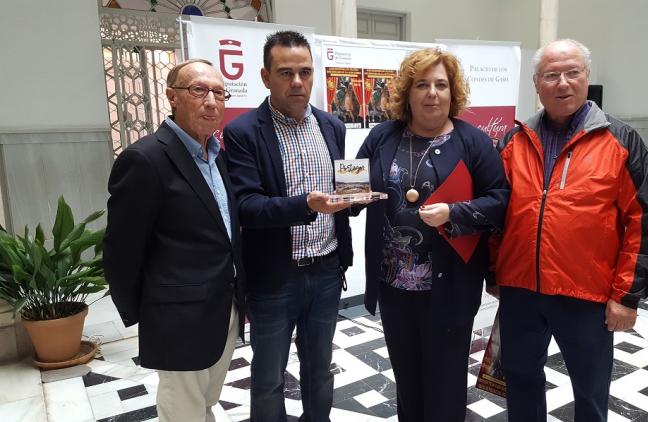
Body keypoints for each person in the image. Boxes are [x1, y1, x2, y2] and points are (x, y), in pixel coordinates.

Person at [492, 39, 648, 421]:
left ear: (587, 77)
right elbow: (495, 214)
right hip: (521, 290)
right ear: (537, 84)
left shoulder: (621, 141)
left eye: (573, 73)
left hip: (586, 294)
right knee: (519, 378)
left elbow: (645, 222)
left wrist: (627, 295)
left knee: (590, 390)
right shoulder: (513, 141)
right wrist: (494, 273)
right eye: (551, 75)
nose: (563, 83)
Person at [355, 48, 509, 421]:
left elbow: (501, 201)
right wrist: (348, 199)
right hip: (394, 286)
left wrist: (453, 213)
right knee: (407, 380)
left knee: (445, 382)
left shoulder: (472, 142)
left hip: (451, 287)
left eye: (441, 85)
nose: (432, 93)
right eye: (422, 84)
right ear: (407, 92)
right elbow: (353, 184)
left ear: (452, 93)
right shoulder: (382, 136)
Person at [103, 58, 245, 422]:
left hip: (223, 305)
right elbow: (121, 251)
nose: (211, 101)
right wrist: (149, 314)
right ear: (172, 96)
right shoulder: (145, 159)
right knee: (183, 410)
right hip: (178, 316)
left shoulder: (217, 156)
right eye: (199, 90)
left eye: (218, 92)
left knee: (204, 401)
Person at [222, 31, 353, 422]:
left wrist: (355, 201)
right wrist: (305, 205)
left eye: (305, 72)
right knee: (268, 380)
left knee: (319, 371)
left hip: (327, 270)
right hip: (275, 277)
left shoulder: (332, 126)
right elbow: (247, 207)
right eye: (285, 73)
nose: (297, 81)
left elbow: (340, 193)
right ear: (265, 77)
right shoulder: (244, 132)